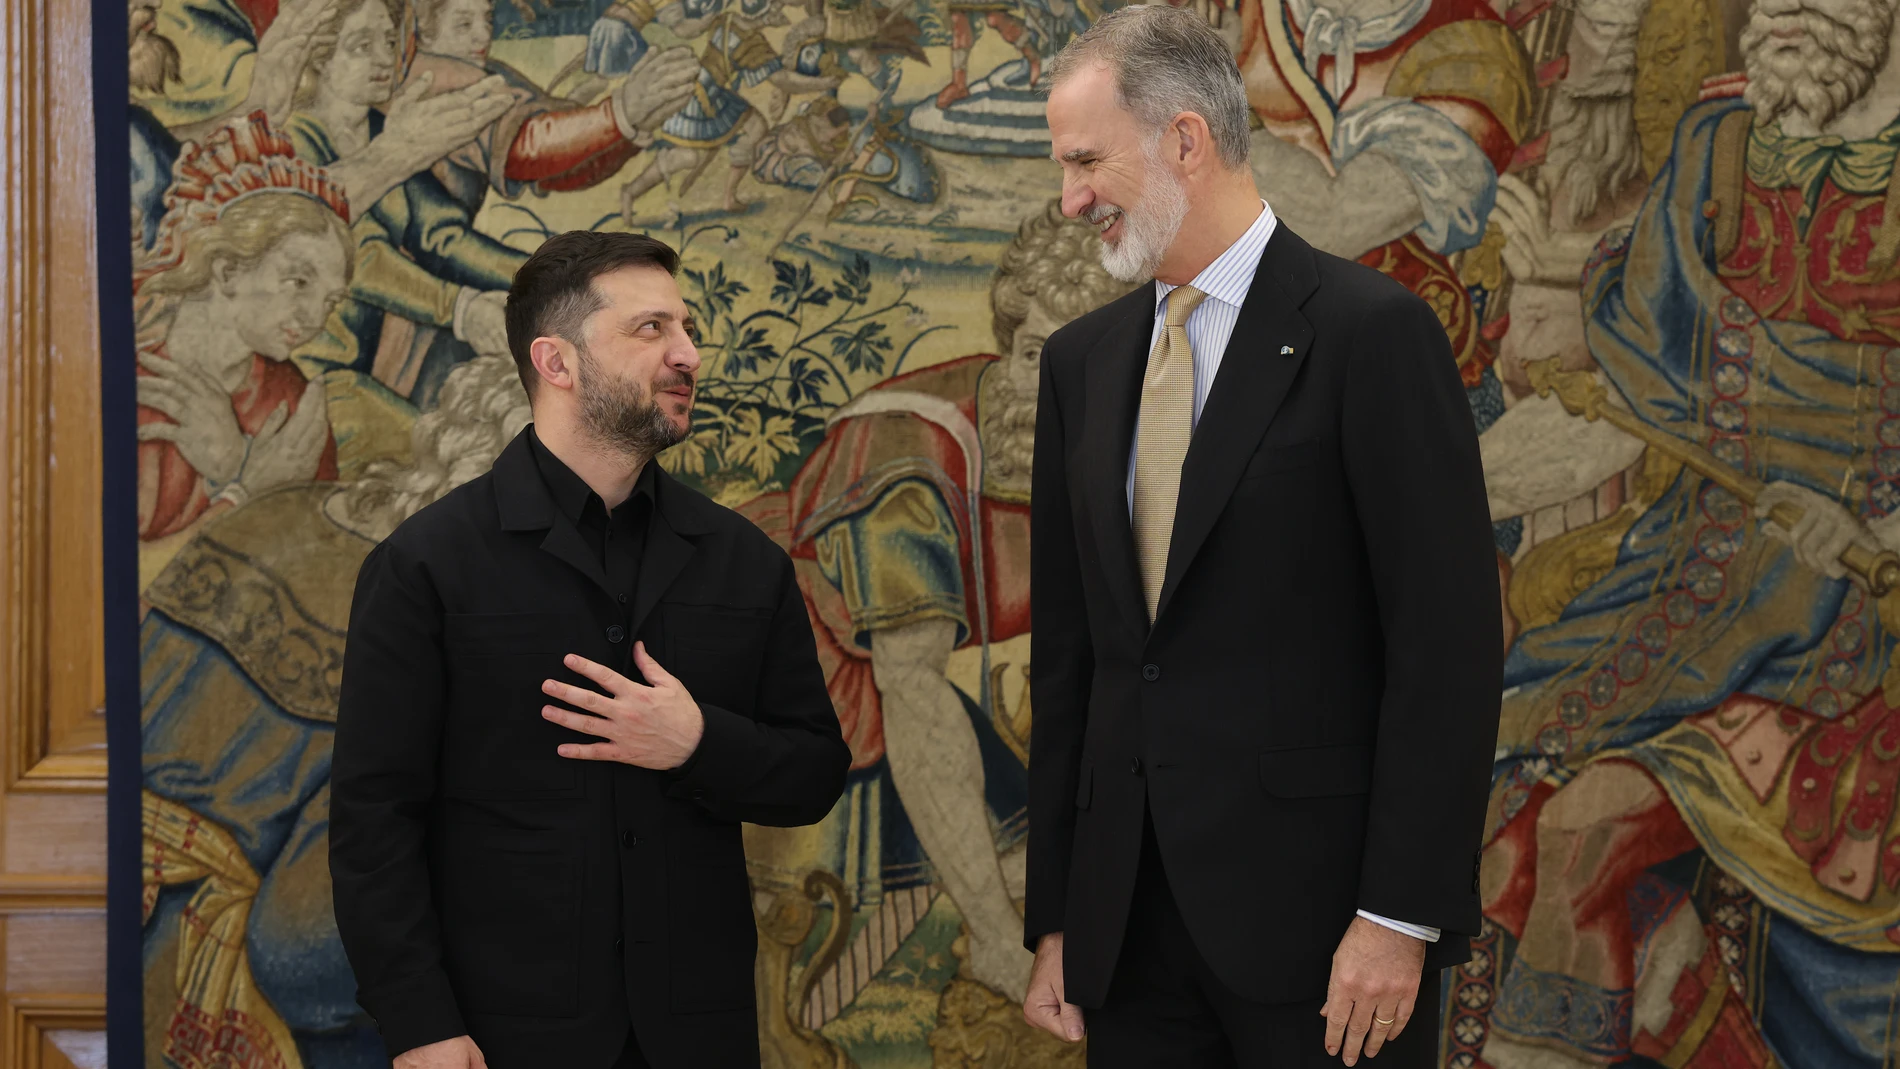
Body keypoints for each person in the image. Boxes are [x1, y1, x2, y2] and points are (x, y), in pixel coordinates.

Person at [1024, 7, 1501, 1068]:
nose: (1070, 200)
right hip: (1128, 937)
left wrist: (1399, 915)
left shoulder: (1373, 334)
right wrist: (1059, 915)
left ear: (1184, 140)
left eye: (1086, 162)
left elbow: (1446, 652)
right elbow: (1071, 664)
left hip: (1328, 939)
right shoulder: (1080, 364)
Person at [1469, 0, 1900, 1061]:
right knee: (1480, 825)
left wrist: (1870, 529)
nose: (1782, 9)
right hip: (1683, 593)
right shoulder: (1719, 146)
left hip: (1852, 646)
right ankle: (1669, 971)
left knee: (1580, 834)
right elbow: (1642, 400)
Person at [330, 230, 853, 1069]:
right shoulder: (424, 566)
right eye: (651, 330)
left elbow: (814, 772)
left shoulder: (745, 560)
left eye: (687, 329)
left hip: (698, 1038)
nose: (688, 353)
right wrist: (419, 1022)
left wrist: (695, 742)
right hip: (501, 1039)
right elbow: (373, 822)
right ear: (557, 360)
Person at [737, 200, 1133, 1002]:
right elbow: (908, 683)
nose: (1042, 388)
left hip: (879, 676)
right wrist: (997, 939)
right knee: (1000, 867)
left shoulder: (1123, 460)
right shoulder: (912, 451)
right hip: (788, 654)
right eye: (1031, 353)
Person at [133, 113, 354, 543]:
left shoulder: (292, 403)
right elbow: (105, 588)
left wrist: (232, 467)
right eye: (298, 282)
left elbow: (312, 565)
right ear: (229, 270)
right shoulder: (129, 383)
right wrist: (243, 489)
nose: (315, 317)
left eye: (330, 301)